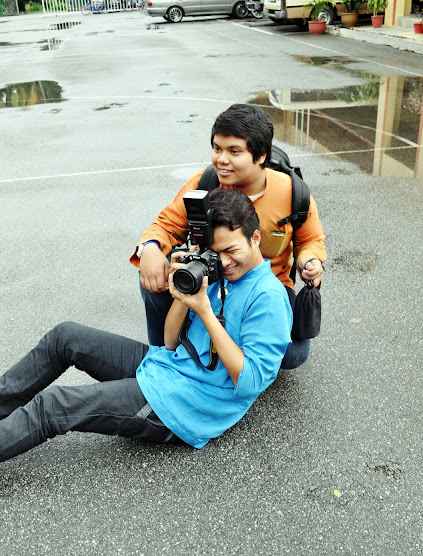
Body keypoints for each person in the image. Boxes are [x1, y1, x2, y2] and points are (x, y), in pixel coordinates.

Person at [0, 189, 292, 463]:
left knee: (53, 405)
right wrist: (183, 294)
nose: (224, 262)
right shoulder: (218, 273)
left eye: (230, 250)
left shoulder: (267, 297)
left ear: (255, 238)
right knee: (65, 337)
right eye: (215, 252)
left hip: (186, 403)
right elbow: (170, 343)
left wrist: (204, 311)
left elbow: (251, 383)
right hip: (166, 365)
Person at [130, 103, 327, 369]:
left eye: (234, 151)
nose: (221, 159)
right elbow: (166, 225)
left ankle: (230, 350)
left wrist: (309, 261)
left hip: (266, 289)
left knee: (292, 355)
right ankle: (162, 353)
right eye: (217, 148)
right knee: (155, 270)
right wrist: (150, 247)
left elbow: (310, 241)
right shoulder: (204, 185)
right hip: (209, 283)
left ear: (261, 155)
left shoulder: (293, 193)